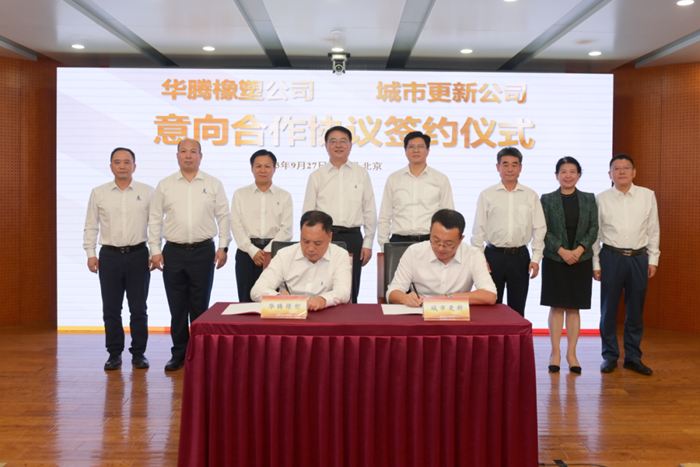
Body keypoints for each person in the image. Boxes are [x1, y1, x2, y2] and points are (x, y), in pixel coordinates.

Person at [149, 138, 231, 371]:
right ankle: (179, 354)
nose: (188, 155)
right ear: (177, 156)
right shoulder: (165, 184)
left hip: (203, 252)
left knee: (199, 306)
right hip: (173, 252)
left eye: (193, 151)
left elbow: (224, 217)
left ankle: (200, 354)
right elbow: (155, 219)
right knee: (177, 308)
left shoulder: (213, 183)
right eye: (183, 151)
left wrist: (223, 246)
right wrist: (155, 250)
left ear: (200, 156)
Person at [83, 147, 154, 371]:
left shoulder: (147, 191)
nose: (122, 166)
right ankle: (114, 354)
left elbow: (155, 226)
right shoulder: (99, 193)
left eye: (127, 162)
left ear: (134, 166)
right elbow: (91, 225)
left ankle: (139, 353)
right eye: (117, 162)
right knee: (111, 309)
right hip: (110, 256)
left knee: (138, 309)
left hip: (138, 255)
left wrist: (155, 252)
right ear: (111, 166)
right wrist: (91, 253)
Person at [593, 154, 660, 376]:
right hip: (611, 257)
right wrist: (596, 263)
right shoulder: (601, 198)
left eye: (626, 168)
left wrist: (653, 259)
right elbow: (595, 235)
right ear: (609, 174)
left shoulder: (647, 195)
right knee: (608, 309)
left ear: (634, 172)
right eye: (617, 168)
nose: (621, 172)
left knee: (636, 310)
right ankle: (610, 356)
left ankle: (633, 357)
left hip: (639, 258)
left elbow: (653, 230)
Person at [302, 125, 376, 303]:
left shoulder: (361, 174)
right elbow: (308, 213)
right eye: (333, 141)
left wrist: (368, 243)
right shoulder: (317, 176)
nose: (338, 145)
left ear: (350, 145)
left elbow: (369, 210)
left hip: (353, 237)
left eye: (343, 141)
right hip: (324, 238)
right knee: (322, 285)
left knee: (350, 288)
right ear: (326, 146)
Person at [471, 147, 546, 317]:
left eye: (514, 165)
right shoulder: (487, 195)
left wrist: (536, 258)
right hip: (493, 257)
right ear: (498, 167)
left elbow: (539, 228)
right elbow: (478, 230)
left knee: (517, 308)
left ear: (520, 168)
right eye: (505, 165)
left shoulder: (530, 195)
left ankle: (515, 336)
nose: (510, 169)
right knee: (490, 306)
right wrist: (480, 259)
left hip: (520, 257)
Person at [540, 157, 599, 374]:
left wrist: (580, 249)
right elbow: (543, 229)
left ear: (579, 175)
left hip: (580, 260)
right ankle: (555, 353)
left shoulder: (589, 199)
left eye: (572, 171)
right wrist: (562, 251)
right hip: (555, 259)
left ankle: (571, 354)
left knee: (574, 308)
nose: (568, 175)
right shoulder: (547, 199)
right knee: (556, 307)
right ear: (557, 175)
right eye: (563, 171)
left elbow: (594, 228)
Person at [387, 209, 497, 307]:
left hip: (457, 312)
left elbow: (490, 295)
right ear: (430, 231)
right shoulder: (414, 252)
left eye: (448, 244)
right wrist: (406, 298)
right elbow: (392, 293)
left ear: (461, 239)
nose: (440, 248)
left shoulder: (473, 254)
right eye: (436, 241)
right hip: (422, 311)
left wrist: (447, 298)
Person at [250, 210, 352, 310]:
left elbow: (343, 291)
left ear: (330, 237)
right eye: (305, 241)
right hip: (289, 313)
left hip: (325, 313)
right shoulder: (284, 255)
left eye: (317, 243)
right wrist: (278, 298)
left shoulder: (340, 256)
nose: (310, 248)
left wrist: (323, 300)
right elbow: (257, 290)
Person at [231, 149, 292, 302]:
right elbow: (236, 226)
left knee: (274, 302)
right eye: (258, 166)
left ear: (274, 169)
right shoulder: (240, 194)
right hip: (247, 254)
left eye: (267, 166)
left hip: (275, 254)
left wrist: (267, 253)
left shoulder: (284, 196)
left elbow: (286, 229)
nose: (262, 170)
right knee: (246, 301)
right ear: (252, 168)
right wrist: (253, 251)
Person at [377, 131, 454, 250]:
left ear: (428, 151)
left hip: (429, 242)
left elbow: (448, 216)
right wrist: (384, 246)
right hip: (399, 242)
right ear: (405, 151)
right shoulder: (394, 179)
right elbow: (384, 216)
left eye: (420, 146)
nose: (416, 150)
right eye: (411, 147)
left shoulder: (440, 179)